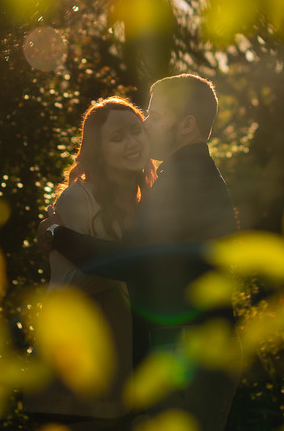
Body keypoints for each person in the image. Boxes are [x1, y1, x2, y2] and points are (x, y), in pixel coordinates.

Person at [41, 74, 240, 431]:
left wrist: (56, 233)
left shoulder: (184, 181)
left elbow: (129, 260)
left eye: (156, 115)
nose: (146, 125)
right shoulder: (189, 176)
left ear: (186, 125)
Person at [24, 97, 156, 429]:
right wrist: (131, 263)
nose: (132, 143)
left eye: (136, 131)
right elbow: (67, 288)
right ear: (98, 150)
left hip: (127, 355)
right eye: (117, 138)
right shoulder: (77, 198)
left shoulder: (148, 199)